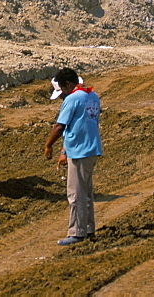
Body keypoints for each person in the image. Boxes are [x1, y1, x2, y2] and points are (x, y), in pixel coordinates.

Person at [44, 68, 102, 246]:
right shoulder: (93, 96)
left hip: (80, 151)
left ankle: (77, 232)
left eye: (62, 88)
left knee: (75, 194)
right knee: (86, 192)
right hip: (91, 149)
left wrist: (48, 145)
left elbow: (60, 127)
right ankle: (88, 228)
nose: (62, 94)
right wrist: (64, 151)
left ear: (68, 84)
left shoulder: (73, 99)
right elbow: (79, 126)